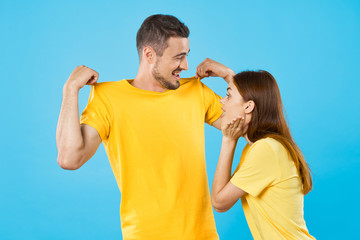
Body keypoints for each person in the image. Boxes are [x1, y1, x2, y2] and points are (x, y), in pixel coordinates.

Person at [56, 15, 233, 240]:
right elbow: (69, 159)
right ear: (149, 55)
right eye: (178, 57)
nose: (186, 66)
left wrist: (230, 76)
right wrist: (70, 89)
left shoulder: (195, 91)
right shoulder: (108, 98)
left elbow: (246, 125)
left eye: (187, 56)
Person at [196, 59, 315, 239]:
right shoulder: (261, 147)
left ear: (249, 106)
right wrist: (229, 75)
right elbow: (246, 99)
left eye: (228, 96)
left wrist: (229, 140)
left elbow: (220, 202)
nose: (222, 102)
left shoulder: (267, 150)